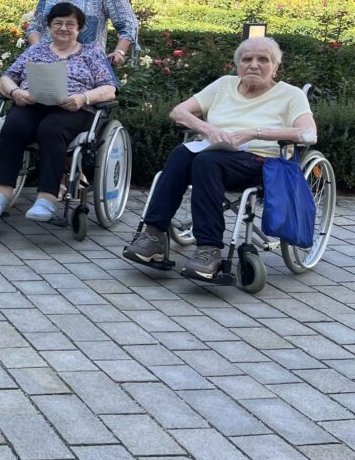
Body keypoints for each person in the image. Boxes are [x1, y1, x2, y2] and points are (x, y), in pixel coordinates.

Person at [123, 36, 316, 280]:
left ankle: (208, 249)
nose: (254, 65)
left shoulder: (290, 94)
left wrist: (254, 132)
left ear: (275, 67)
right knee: (183, 153)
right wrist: (207, 129)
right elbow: (178, 112)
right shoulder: (224, 85)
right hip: (215, 153)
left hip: (258, 160)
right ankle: (153, 234)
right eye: (247, 59)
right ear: (238, 65)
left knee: (206, 162)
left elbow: (308, 133)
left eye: (263, 60)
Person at [0, 2, 117, 222]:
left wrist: (83, 98)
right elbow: (6, 78)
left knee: (51, 129)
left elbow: (109, 89)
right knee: (13, 125)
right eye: (58, 23)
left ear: (80, 28)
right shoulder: (36, 50)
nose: (63, 28)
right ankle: (1, 193)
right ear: (49, 27)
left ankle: (47, 197)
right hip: (33, 104)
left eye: (70, 24)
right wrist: (15, 92)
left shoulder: (92, 54)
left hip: (72, 108)